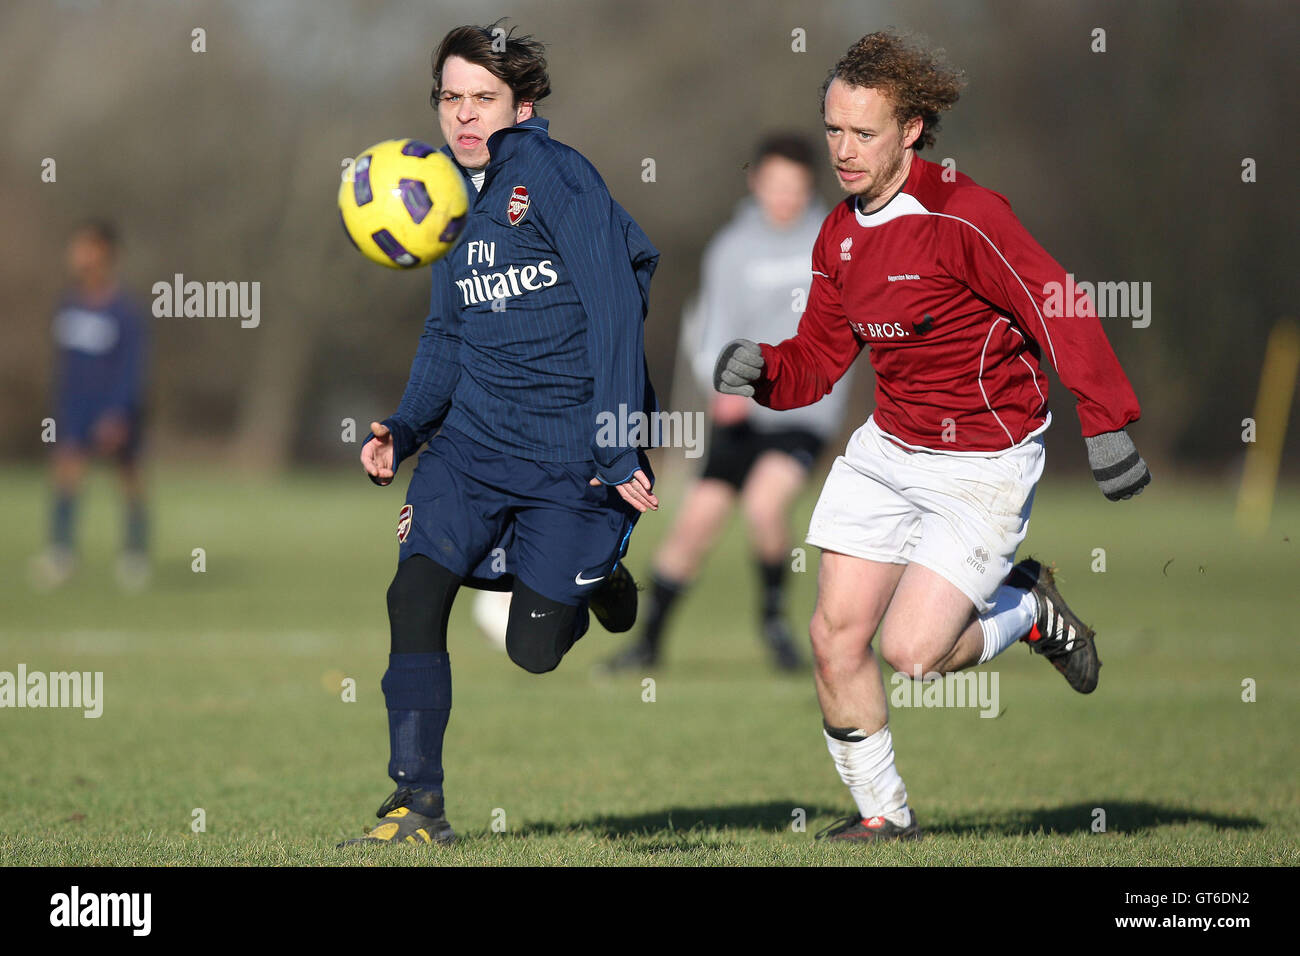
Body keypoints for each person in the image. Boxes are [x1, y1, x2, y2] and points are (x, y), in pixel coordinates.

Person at [713, 31, 1150, 842]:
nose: (842, 151)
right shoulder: (838, 233)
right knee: (835, 635)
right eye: (833, 130)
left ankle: (1028, 609)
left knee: (913, 654)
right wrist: (765, 370)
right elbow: (819, 357)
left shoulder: (964, 214)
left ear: (911, 129)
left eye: (863, 133)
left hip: (985, 462)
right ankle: (885, 817)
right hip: (888, 450)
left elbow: (1056, 302)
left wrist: (1107, 421)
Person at [341, 22, 659, 848]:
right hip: (473, 445)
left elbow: (617, 308)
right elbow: (447, 334)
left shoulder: (558, 178)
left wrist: (619, 441)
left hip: (575, 453)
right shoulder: (437, 190)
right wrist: (405, 427)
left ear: (522, 103)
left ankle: (596, 578)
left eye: (484, 98)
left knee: (534, 650)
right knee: (412, 594)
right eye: (452, 97)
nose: (465, 115)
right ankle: (416, 805)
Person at [604, 135, 851, 674]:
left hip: (801, 412)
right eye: (775, 185)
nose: (784, 196)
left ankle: (774, 625)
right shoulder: (731, 249)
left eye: (796, 187)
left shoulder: (832, 240)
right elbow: (714, 331)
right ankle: (649, 644)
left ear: (810, 187)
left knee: (765, 505)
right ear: (756, 183)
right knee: (695, 522)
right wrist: (725, 388)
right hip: (741, 412)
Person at [32, 221, 150, 591]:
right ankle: (61, 552)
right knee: (66, 474)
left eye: (86, 247)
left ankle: (134, 555)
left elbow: (133, 367)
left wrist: (119, 412)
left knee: (128, 478)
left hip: (115, 407)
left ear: (104, 253)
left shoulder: (124, 312)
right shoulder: (67, 304)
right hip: (75, 407)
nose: (77, 255)